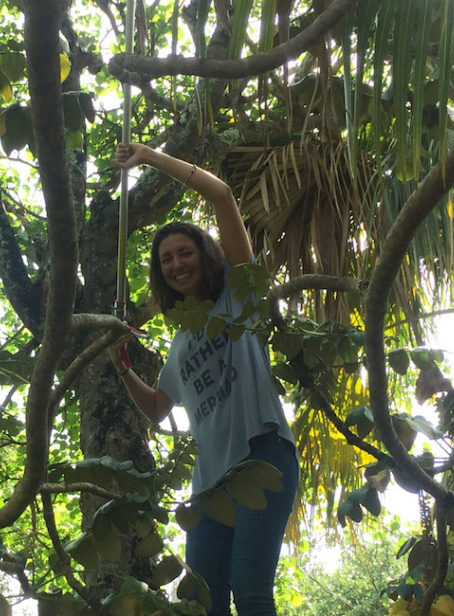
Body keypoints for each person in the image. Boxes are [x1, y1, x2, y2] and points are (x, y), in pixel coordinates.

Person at [108, 143, 298, 616]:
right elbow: (156, 409)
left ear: (204, 255)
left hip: (262, 455)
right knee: (203, 603)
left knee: (251, 591)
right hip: (208, 490)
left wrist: (149, 157)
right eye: (166, 259)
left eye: (184, 252)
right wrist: (123, 367)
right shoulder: (180, 343)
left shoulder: (239, 292)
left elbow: (222, 196)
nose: (176, 265)